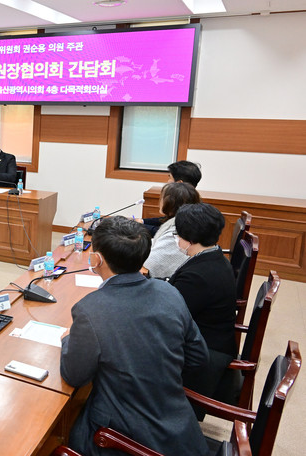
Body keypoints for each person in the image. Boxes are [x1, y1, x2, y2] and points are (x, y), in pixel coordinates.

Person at [60, 216, 209, 456]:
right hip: (180, 428)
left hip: (122, 438)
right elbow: (198, 357)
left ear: (96, 259)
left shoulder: (90, 310)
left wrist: (68, 338)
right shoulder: (169, 292)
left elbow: (75, 375)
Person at [170, 203, 238, 411]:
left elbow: (169, 316)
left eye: (178, 234)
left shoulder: (198, 277)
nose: (176, 238)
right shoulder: (213, 256)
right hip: (212, 338)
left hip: (203, 354)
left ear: (189, 238)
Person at [143, 182, 201, 279]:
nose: (159, 201)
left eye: (162, 198)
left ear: (171, 203)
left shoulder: (178, 230)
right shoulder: (183, 222)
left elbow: (151, 264)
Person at [142, 160, 202, 235]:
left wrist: (137, 226)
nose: (168, 181)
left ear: (179, 183)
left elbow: (167, 233)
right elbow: (166, 220)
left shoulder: (189, 211)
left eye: (170, 177)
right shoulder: (191, 200)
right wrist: (142, 221)